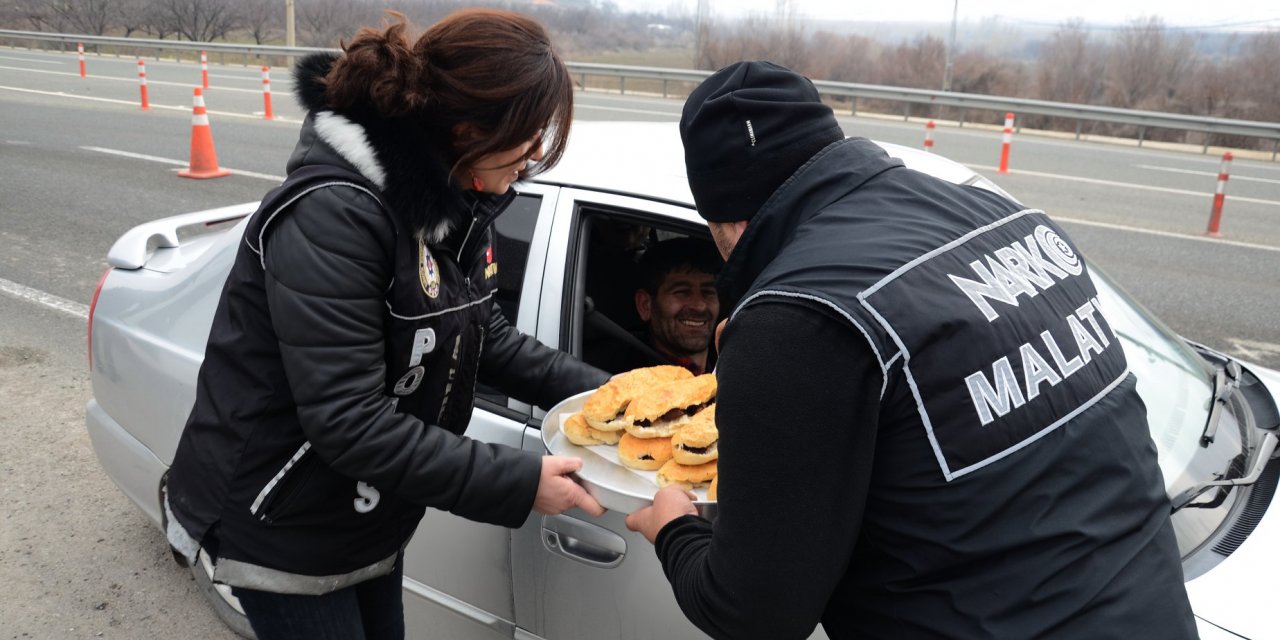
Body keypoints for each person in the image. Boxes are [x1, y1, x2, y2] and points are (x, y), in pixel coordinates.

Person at [625, 61, 1196, 639]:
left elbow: (752, 612)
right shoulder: (1005, 217)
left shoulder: (794, 317)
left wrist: (673, 529)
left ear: (725, 217)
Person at [163, 10, 609, 639]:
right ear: (467, 129)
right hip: (285, 519)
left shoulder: (454, 200)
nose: (535, 156)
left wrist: (618, 398)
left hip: (366, 509)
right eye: (529, 136)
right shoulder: (335, 213)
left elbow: (488, 337)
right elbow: (347, 419)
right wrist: (519, 482)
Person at [588, 237, 721, 375]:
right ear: (645, 305)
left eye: (708, 292)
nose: (699, 306)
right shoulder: (619, 377)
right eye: (682, 292)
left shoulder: (730, 360)